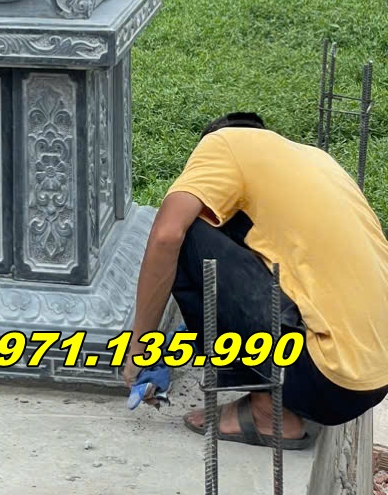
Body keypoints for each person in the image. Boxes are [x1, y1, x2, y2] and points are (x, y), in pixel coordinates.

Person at [122, 112, 388, 446]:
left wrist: (140, 348)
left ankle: (267, 408)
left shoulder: (222, 143)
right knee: (228, 227)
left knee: (186, 231)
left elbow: (166, 236)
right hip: (372, 379)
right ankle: (280, 390)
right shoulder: (316, 161)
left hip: (325, 378)